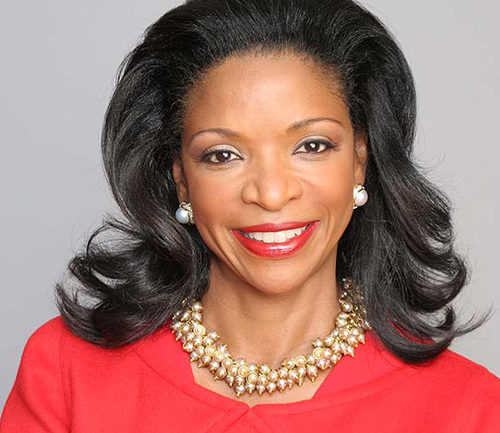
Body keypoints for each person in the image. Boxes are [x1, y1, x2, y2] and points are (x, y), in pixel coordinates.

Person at [1, 0, 499, 431]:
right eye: (223, 155)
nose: (272, 194)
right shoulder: (66, 371)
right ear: (181, 179)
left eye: (311, 145)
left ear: (359, 162)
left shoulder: (470, 408)